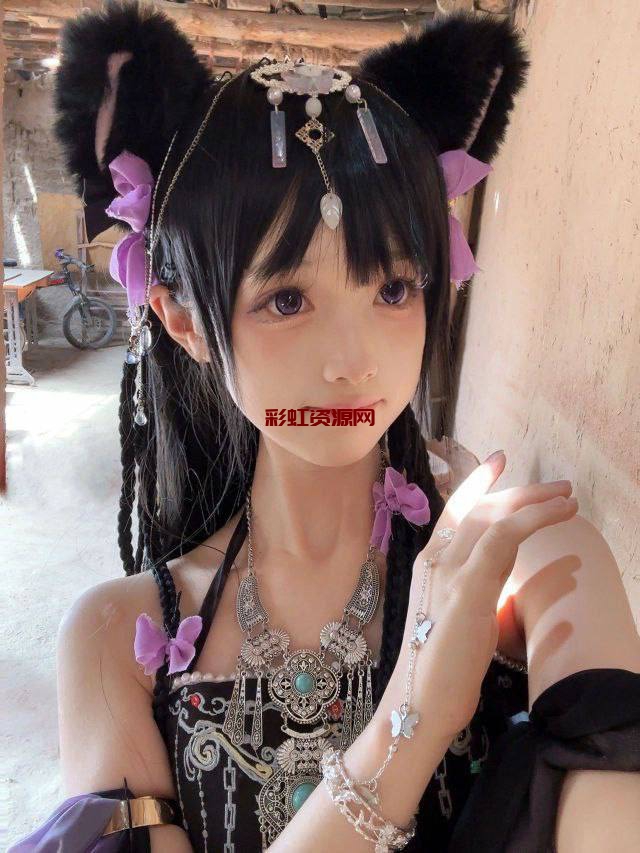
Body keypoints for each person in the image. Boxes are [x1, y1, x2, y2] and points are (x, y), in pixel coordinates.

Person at [10, 2, 640, 851]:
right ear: (184, 321)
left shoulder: (537, 566)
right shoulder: (110, 643)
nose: (354, 362)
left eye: (393, 289)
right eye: (287, 300)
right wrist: (414, 720)